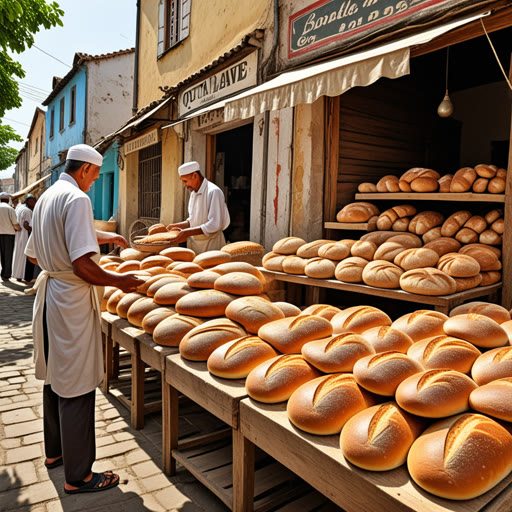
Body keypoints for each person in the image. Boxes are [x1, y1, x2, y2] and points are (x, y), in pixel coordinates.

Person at [25, 144, 144, 494]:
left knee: (54, 374)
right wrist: (119, 279)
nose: (94, 180)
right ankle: (79, 476)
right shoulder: (77, 198)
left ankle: (55, 454)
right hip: (70, 302)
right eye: (94, 174)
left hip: (50, 297)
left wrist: (105, 236)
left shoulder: (49, 196)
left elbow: (38, 253)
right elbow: (82, 264)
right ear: (85, 170)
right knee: (76, 383)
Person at [166, 161, 230, 253]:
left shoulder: (213, 192)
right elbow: (193, 220)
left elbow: (215, 224)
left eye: (185, 181)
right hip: (194, 246)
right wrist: (177, 226)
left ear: (195, 175)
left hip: (211, 247)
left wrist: (186, 232)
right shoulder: (193, 193)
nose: (184, 185)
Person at [13, 194, 37, 283]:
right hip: (26, 237)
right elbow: (26, 225)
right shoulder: (27, 211)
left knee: (19, 256)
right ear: (27, 202)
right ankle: (27, 277)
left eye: (34, 201)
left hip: (20, 236)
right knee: (26, 257)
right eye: (31, 201)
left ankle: (18, 275)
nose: (33, 203)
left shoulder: (20, 209)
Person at [0, 191, 21, 281]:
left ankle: (3, 273)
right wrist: (19, 229)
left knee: (1, 255)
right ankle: (6, 275)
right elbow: (15, 223)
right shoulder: (10, 209)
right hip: (9, 235)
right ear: (7, 200)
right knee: (8, 255)